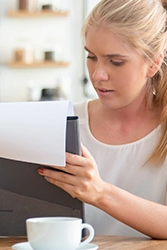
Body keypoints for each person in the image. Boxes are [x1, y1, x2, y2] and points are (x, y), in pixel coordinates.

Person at [38, 0, 167, 239]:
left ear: (154, 63)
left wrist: (100, 193)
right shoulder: (62, 122)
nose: (98, 75)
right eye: (91, 57)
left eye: (115, 62)